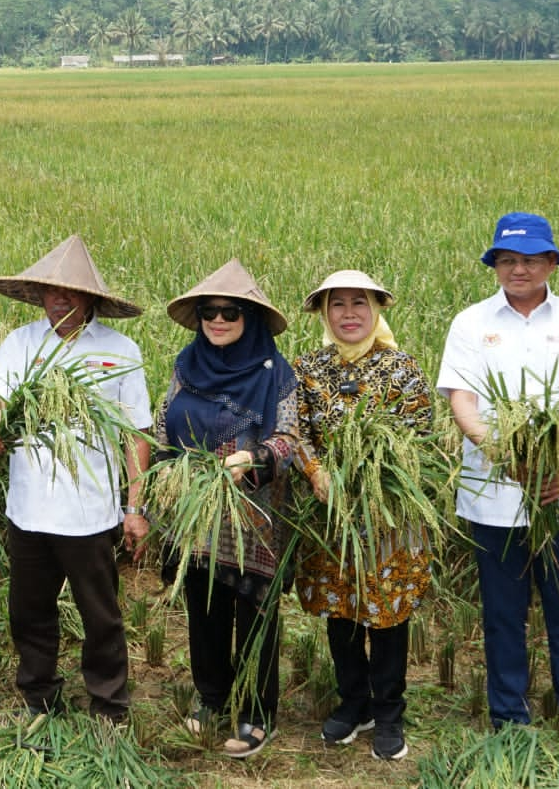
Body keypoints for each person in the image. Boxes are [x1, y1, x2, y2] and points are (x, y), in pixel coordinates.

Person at [436, 212, 559, 773]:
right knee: (502, 617)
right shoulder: (471, 323)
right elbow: (463, 402)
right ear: (495, 265)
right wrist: (507, 457)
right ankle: (509, 727)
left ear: (552, 264)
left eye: (531, 260)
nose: (519, 269)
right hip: (494, 497)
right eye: (507, 260)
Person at [0, 234, 151, 722]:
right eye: (51, 291)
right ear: (39, 296)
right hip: (28, 509)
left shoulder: (119, 350)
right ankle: (39, 696)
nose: (59, 299)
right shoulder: (21, 343)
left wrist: (134, 508)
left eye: (71, 291)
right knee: (29, 613)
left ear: (92, 297)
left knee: (101, 615)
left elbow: (136, 434)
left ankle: (109, 705)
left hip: (90, 511)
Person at [154, 259, 319, 758]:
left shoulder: (276, 373)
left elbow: (292, 438)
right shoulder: (186, 365)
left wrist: (257, 456)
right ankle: (210, 699)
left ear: (249, 317)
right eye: (209, 312)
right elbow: (164, 429)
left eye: (230, 312)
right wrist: (166, 477)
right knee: (204, 611)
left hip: (255, 516)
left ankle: (256, 712)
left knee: (255, 616)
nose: (218, 321)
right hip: (197, 514)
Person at [292, 270, 432, 761]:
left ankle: (389, 711)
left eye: (359, 303)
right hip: (329, 518)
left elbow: (420, 433)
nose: (349, 314)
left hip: (388, 517)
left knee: (388, 613)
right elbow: (295, 431)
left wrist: (381, 473)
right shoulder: (307, 369)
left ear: (376, 311)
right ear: (325, 314)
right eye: (338, 305)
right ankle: (354, 702)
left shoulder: (403, 369)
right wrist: (315, 472)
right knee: (341, 608)